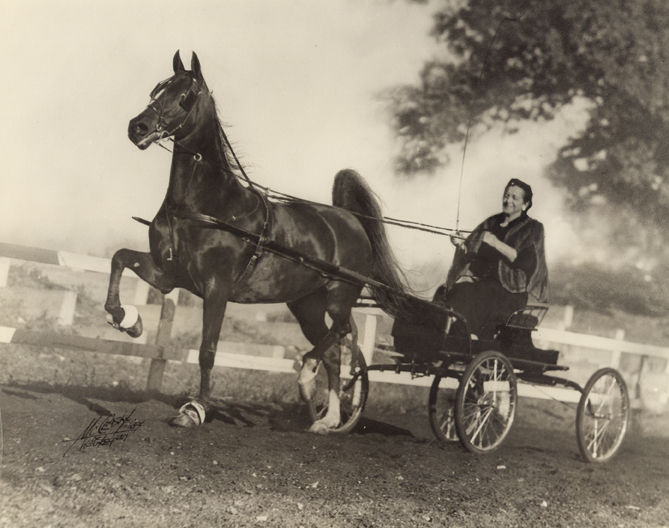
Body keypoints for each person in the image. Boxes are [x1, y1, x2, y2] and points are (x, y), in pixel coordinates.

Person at [435, 178, 548, 340]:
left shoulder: (533, 228)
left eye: (514, 198)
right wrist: (460, 244)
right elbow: (471, 252)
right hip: (483, 286)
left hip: (509, 294)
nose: (508, 200)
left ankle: (471, 336)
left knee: (475, 292)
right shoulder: (491, 222)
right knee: (445, 291)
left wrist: (495, 243)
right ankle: (441, 335)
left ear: (525, 204)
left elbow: (525, 261)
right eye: (506, 195)